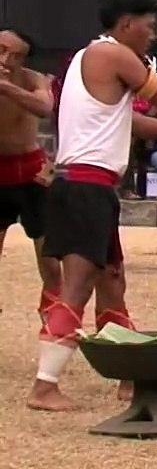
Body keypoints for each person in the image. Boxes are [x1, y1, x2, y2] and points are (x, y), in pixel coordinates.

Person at [29, 0, 157, 411]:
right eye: (149, 28)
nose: (152, 36)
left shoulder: (84, 60)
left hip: (82, 184)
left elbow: (128, 120)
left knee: (112, 282)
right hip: (87, 187)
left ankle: (128, 376)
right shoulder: (115, 55)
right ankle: (44, 384)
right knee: (77, 285)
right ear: (127, 24)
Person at [0, 28, 57, 317]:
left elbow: (44, 107)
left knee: (50, 257)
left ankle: (53, 315)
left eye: (15, 56)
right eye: (1, 50)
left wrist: (5, 86)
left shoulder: (33, 79)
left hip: (32, 171)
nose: (7, 59)